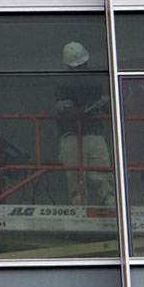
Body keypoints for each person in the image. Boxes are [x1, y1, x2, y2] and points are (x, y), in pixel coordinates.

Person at [56, 41, 116, 206]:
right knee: (75, 171)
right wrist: (89, 108)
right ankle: (78, 202)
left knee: (100, 169)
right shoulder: (63, 84)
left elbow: (110, 109)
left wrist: (105, 105)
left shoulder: (94, 81)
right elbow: (66, 112)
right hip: (72, 134)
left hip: (93, 132)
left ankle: (109, 199)